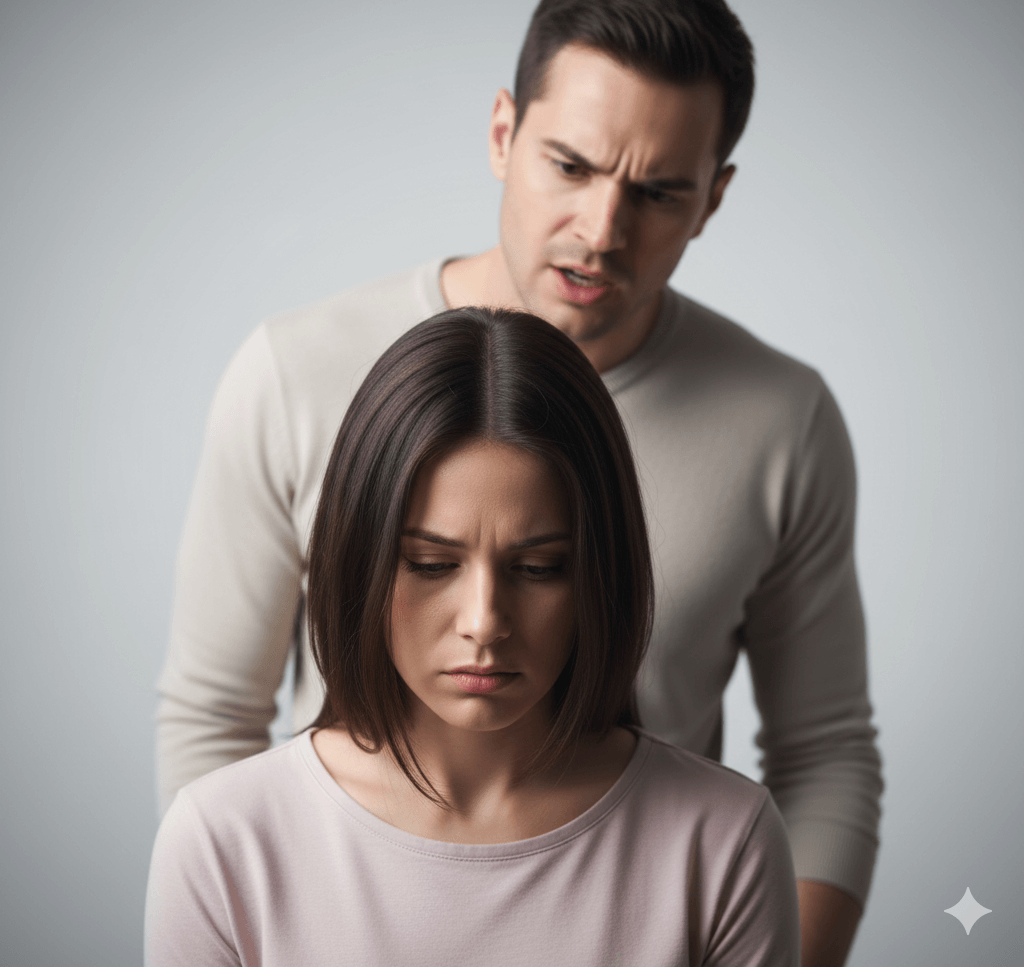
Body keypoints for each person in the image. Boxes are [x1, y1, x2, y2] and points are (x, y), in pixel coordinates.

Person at [156, 0, 882, 967]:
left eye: (659, 191)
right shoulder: (297, 371)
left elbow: (824, 751)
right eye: (570, 166)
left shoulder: (782, 420)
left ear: (713, 198)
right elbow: (211, 720)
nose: (601, 232)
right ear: (503, 134)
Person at [146, 308, 800, 966]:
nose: (484, 621)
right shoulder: (222, 841)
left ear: (600, 574)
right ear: (359, 559)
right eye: (432, 565)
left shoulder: (722, 841)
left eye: (539, 568)